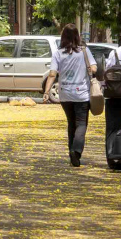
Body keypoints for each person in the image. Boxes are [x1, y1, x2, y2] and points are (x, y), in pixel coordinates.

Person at [43, 24, 97, 167]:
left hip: (65, 95)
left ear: (63, 37)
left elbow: (52, 74)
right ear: (77, 36)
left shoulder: (58, 53)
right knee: (81, 124)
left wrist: (46, 92)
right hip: (82, 94)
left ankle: (71, 152)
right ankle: (76, 151)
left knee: (71, 123)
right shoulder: (84, 51)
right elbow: (94, 68)